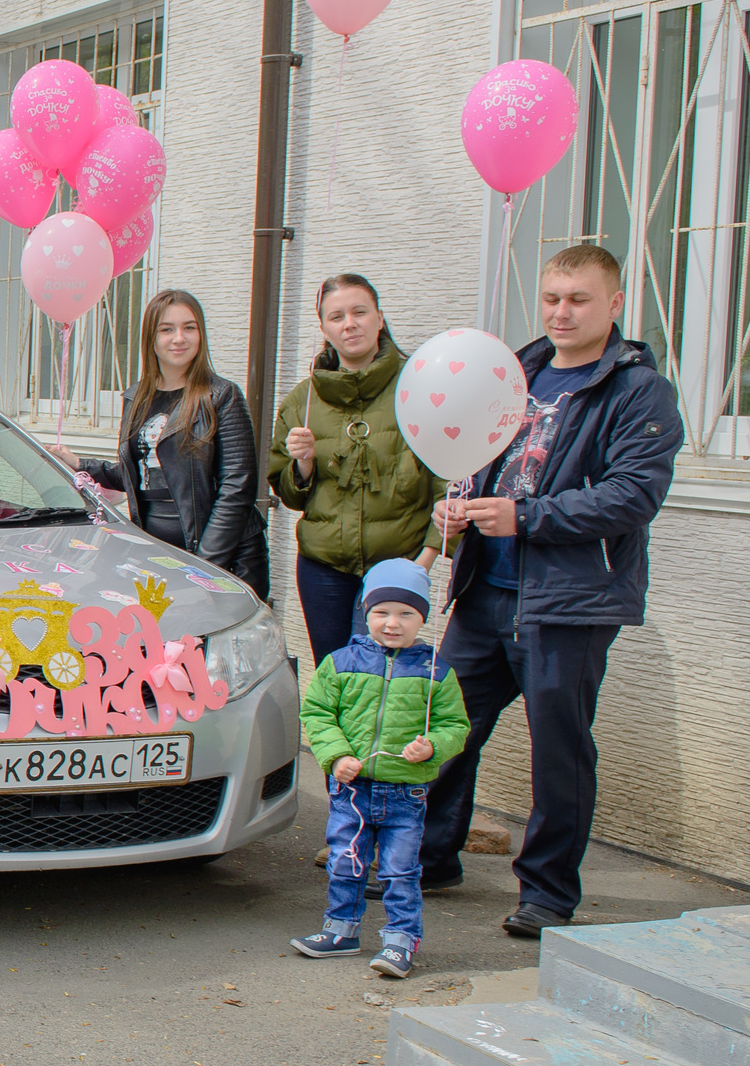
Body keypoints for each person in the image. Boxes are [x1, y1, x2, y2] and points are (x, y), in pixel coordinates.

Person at [424, 245, 684, 939]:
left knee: (558, 749)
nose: (562, 311)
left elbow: (633, 495)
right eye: (552, 298)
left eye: (579, 298)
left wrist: (527, 517)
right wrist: (458, 507)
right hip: (485, 590)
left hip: (568, 602)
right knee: (444, 727)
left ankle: (546, 891)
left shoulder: (638, 391)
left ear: (615, 304)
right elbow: (475, 459)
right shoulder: (518, 374)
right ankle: (430, 854)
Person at [290, 559, 470, 979]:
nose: (393, 623)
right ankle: (340, 931)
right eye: (382, 612)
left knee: (399, 870)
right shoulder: (339, 663)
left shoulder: (437, 672)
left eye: (407, 613)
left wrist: (433, 748)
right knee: (344, 861)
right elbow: (317, 714)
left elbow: (456, 726)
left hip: (405, 794)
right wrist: (336, 757)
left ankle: (400, 941)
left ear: (422, 617)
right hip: (352, 790)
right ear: (365, 613)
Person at [268, 274, 445, 664]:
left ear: (380, 319)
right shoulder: (304, 399)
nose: (349, 323)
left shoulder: (420, 386)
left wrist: (423, 563)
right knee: (335, 676)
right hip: (323, 568)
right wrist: (303, 463)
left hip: (398, 563)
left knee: (384, 679)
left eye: (359, 312)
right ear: (324, 329)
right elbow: (290, 495)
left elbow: (447, 482)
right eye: (336, 316)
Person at [52, 288, 268, 595]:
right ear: (151, 339)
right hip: (157, 553)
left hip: (222, 557)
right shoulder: (136, 397)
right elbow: (143, 476)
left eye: (189, 327)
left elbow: (238, 488)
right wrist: (80, 464)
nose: (179, 338)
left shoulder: (221, 396)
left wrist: (203, 566)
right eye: (166, 329)